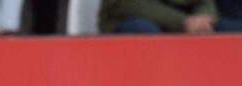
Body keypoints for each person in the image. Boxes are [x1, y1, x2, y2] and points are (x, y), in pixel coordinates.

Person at [99, 0, 242, 31]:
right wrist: (184, 22)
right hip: (133, 24)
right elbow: (130, 5)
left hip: (190, 28)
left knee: (229, 28)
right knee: (142, 29)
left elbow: (204, 1)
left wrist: (205, 19)